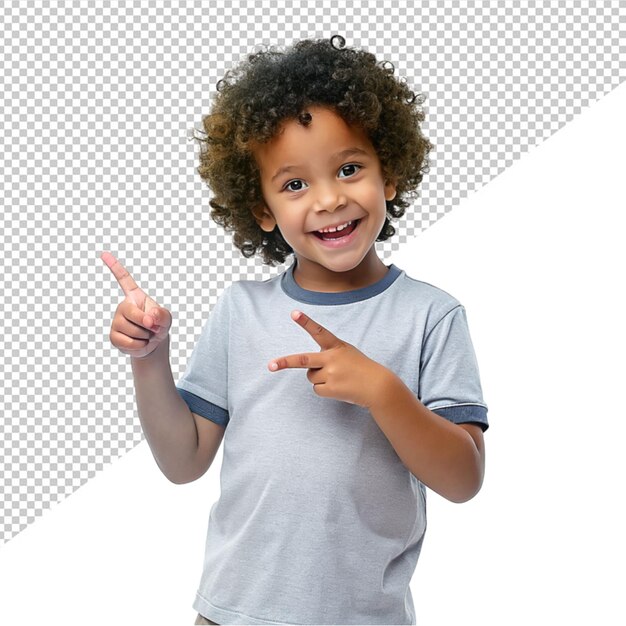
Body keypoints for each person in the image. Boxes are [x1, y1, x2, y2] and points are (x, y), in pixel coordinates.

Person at [102, 35, 488, 625]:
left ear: (389, 174)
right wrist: (150, 358)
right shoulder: (241, 311)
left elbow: (464, 480)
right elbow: (184, 463)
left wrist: (382, 392)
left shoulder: (431, 316)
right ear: (261, 210)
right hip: (231, 614)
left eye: (350, 168)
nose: (330, 199)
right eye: (294, 184)